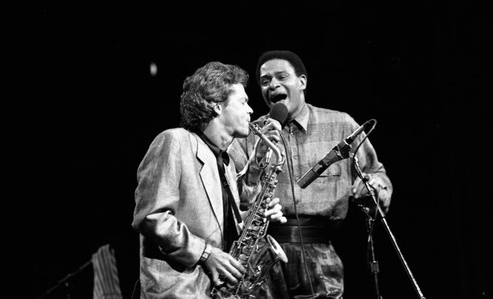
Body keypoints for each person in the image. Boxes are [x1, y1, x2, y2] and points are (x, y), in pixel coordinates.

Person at [229, 50, 393, 299]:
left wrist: (373, 187)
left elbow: (375, 173)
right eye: (265, 81)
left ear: (302, 82)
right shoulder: (249, 133)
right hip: (260, 254)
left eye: (281, 77)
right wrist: (255, 164)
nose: (273, 85)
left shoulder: (341, 125)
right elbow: (234, 196)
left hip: (321, 254)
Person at [131, 61, 287, 298]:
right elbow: (152, 217)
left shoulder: (225, 161)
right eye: (243, 102)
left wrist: (254, 215)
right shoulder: (174, 141)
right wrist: (206, 253)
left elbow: (214, 223)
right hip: (179, 290)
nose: (251, 111)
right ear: (216, 106)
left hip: (212, 289)